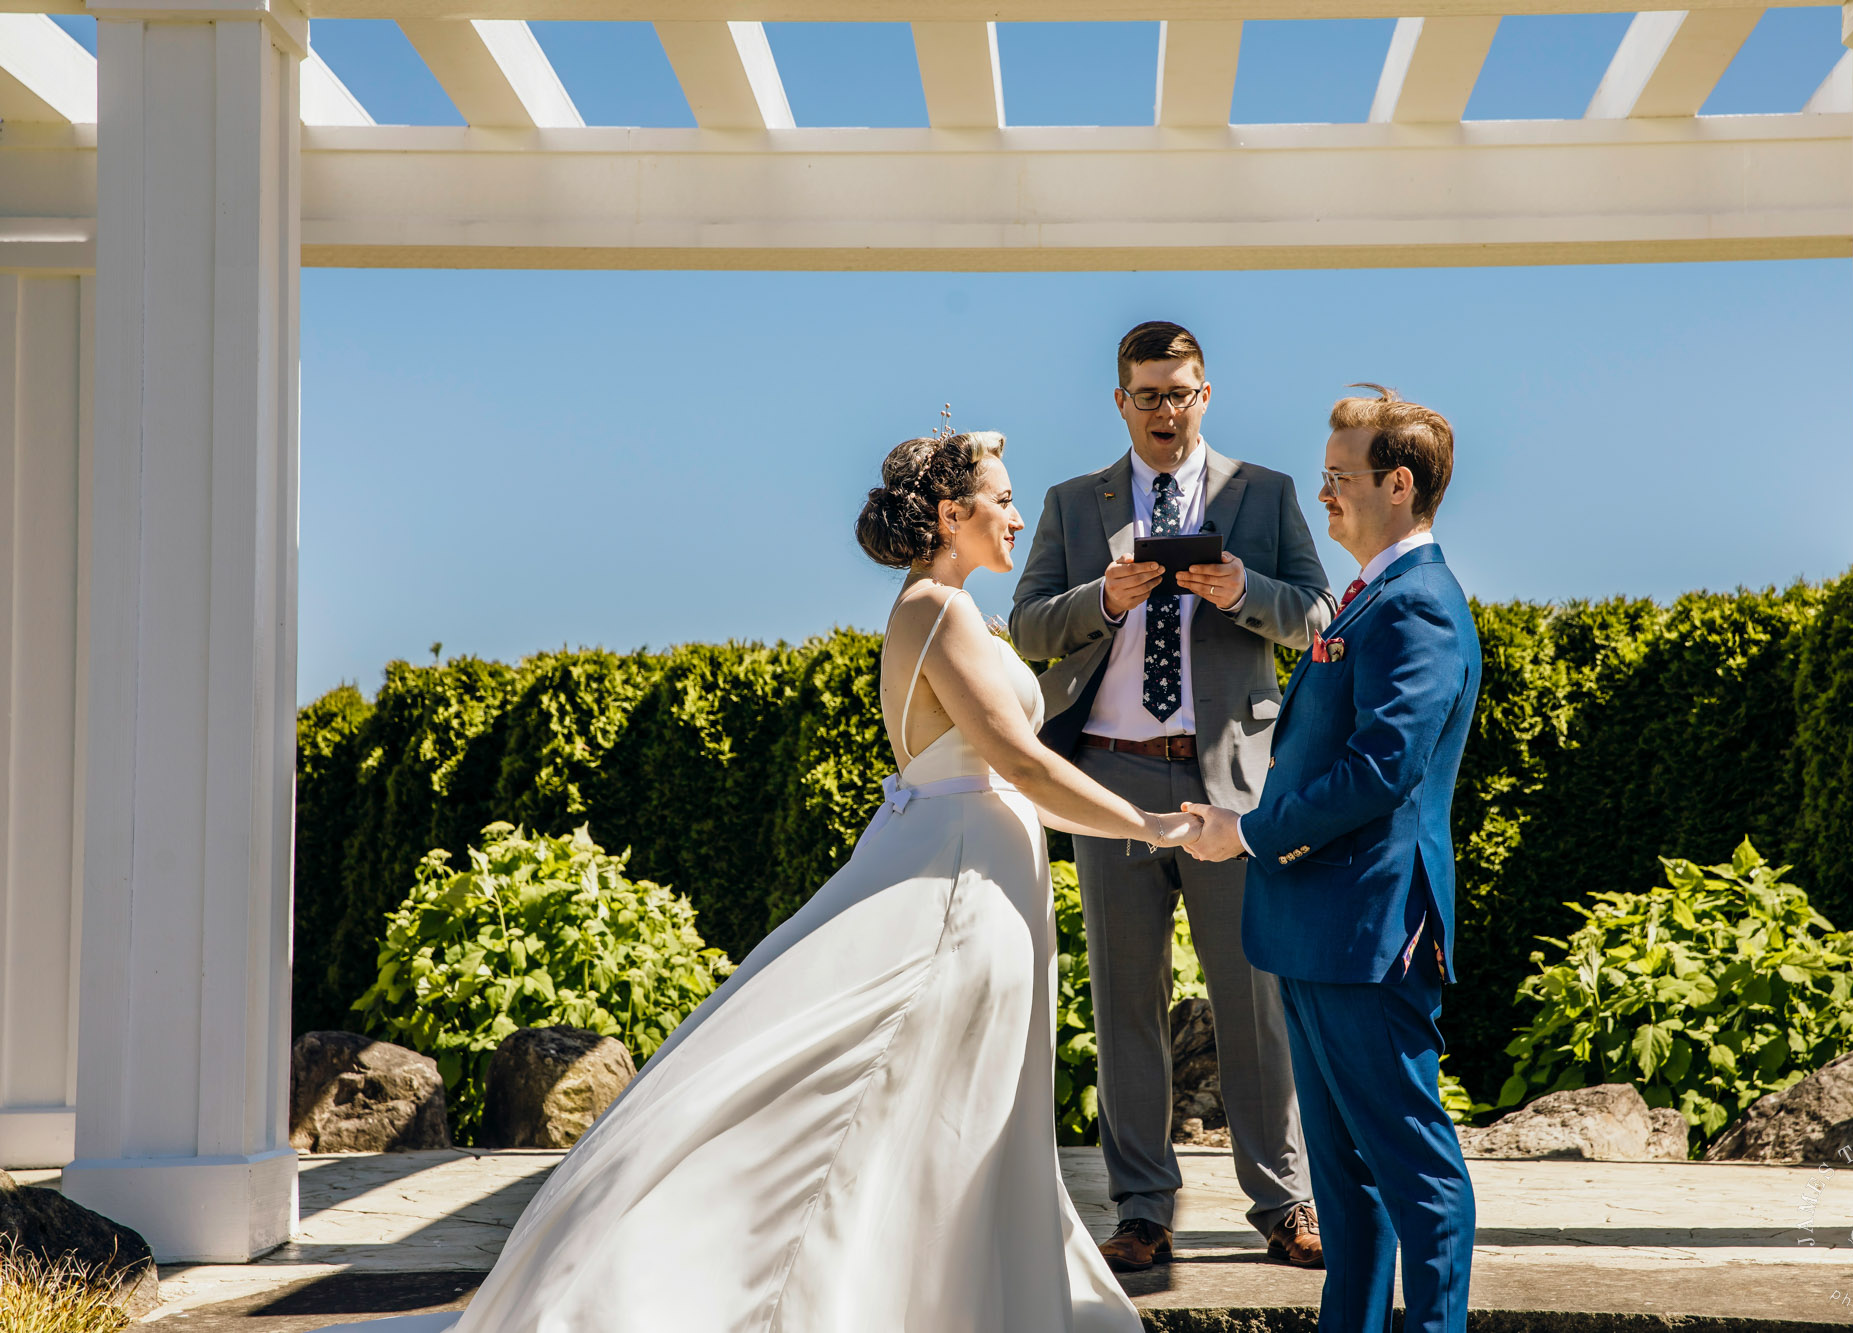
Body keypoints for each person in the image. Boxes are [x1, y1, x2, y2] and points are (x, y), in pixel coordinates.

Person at [403, 429, 1206, 1333]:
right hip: (955, 889)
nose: (1020, 515)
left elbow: (1016, 779)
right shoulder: (938, 612)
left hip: (971, 865)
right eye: (1003, 498)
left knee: (946, 1103)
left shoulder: (953, 613)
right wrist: (1156, 823)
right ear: (952, 514)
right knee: (877, 1086)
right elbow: (1021, 765)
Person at [1010, 321, 1335, 1273]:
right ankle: (1142, 1209)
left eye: (1181, 392)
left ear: (1207, 393)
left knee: (1255, 999)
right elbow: (1028, 629)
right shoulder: (1075, 504)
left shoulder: (1265, 495)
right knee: (1126, 1002)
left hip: (1229, 781)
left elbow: (1318, 616)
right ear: (1120, 402)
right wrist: (1102, 601)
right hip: (1109, 775)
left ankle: (1282, 1202)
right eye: (1147, 395)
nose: (1165, 410)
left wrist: (1244, 588)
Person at [1183, 385, 1481, 1333]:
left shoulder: (1419, 604)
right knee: (1347, 1188)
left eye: (1338, 477)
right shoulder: (1372, 594)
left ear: (1398, 484)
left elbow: (1381, 768)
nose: (1323, 496)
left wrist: (1250, 830)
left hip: (1369, 931)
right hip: (1316, 931)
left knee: (1415, 1173)